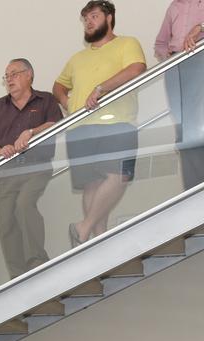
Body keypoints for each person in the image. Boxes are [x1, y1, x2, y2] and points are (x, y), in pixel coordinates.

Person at [54, 1, 147, 248]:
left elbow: (137, 69)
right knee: (91, 183)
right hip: (79, 128)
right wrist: (67, 102)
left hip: (117, 122)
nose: (89, 21)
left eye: (94, 16)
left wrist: (101, 88)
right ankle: (99, 243)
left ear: (109, 18)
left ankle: (83, 228)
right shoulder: (77, 58)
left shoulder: (127, 43)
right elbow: (59, 85)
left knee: (118, 177)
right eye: (85, 18)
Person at [0, 59, 64, 279]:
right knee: (5, 219)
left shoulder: (46, 100)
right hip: (6, 172)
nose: (9, 80)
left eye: (14, 74)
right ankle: (17, 275)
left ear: (29, 75)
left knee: (25, 203)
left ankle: (36, 260)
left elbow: (55, 123)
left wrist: (31, 132)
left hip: (36, 166)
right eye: (6, 76)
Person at [155, 0, 204, 189]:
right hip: (176, 65)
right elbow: (160, 42)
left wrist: (199, 27)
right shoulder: (174, 7)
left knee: (198, 121)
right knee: (183, 128)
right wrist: (167, 57)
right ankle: (193, 189)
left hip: (200, 57)